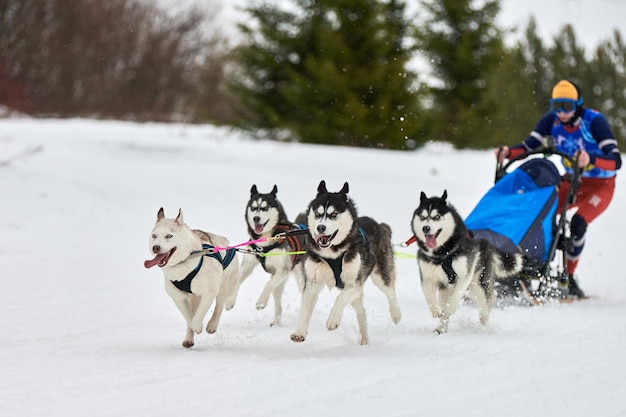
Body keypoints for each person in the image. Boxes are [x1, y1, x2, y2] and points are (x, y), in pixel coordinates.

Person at [495, 79, 621, 298]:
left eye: (567, 107)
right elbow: (528, 146)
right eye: (557, 106)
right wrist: (508, 152)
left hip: (600, 186)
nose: (562, 113)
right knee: (537, 212)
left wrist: (590, 158)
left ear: (578, 104)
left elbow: (615, 160)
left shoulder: (594, 121)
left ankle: (569, 278)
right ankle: (527, 265)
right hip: (571, 181)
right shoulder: (551, 122)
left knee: (578, 223)